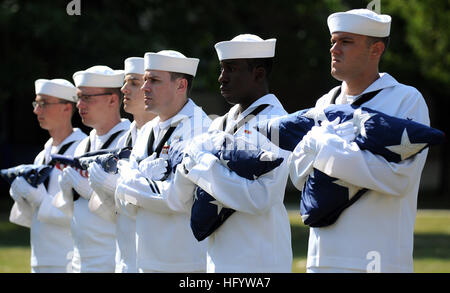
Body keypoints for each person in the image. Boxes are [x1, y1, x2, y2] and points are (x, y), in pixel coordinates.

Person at [289, 9, 430, 273]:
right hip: (321, 257)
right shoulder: (325, 102)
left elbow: (399, 179)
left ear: (375, 49)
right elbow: (298, 176)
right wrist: (332, 149)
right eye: (333, 41)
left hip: (377, 258)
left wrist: (326, 147)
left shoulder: (405, 99)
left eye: (346, 42)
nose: (334, 49)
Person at [176, 34, 293, 272]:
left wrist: (203, 165)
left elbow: (260, 197)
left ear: (258, 74)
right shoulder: (220, 124)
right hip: (218, 257)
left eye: (231, 69)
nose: (222, 77)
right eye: (222, 68)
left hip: (258, 260)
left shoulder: (278, 122)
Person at [115, 50, 210, 273]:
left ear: (181, 85)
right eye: (145, 79)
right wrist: (142, 185)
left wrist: (132, 180)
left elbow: (179, 199)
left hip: (183, 264)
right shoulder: (148, 129)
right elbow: (123, 203)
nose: (145, 87)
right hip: (143, 261)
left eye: (154, 80)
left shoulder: (201, 129)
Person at [54, 65, 130, 273]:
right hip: (80, 256)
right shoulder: (83, 145)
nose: (79, 105)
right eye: (79, 97)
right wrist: (66, 191)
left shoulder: (129, 140)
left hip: (112, 255)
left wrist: (90, 190)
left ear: (113, 100)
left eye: (87, 98)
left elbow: (130, 202)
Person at [9, 78, 87, 273]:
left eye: (44, 104)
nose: (37, 110)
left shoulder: (82, 150)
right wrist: (22, 199)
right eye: (37, 104)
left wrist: (41, 200)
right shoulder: (42, 156)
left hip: (70, 259)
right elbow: (32, 218)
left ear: (67, 108)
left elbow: (85, 215)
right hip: (41, 257)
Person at [87, 57, 157, 273]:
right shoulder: (125, 139)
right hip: (124, 258)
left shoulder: (163, 136)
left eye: (134, 83)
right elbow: (110, 214)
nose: (124, 89)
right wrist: (104, 190)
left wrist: (113, 186)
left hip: (155, 258)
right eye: (126, 83)